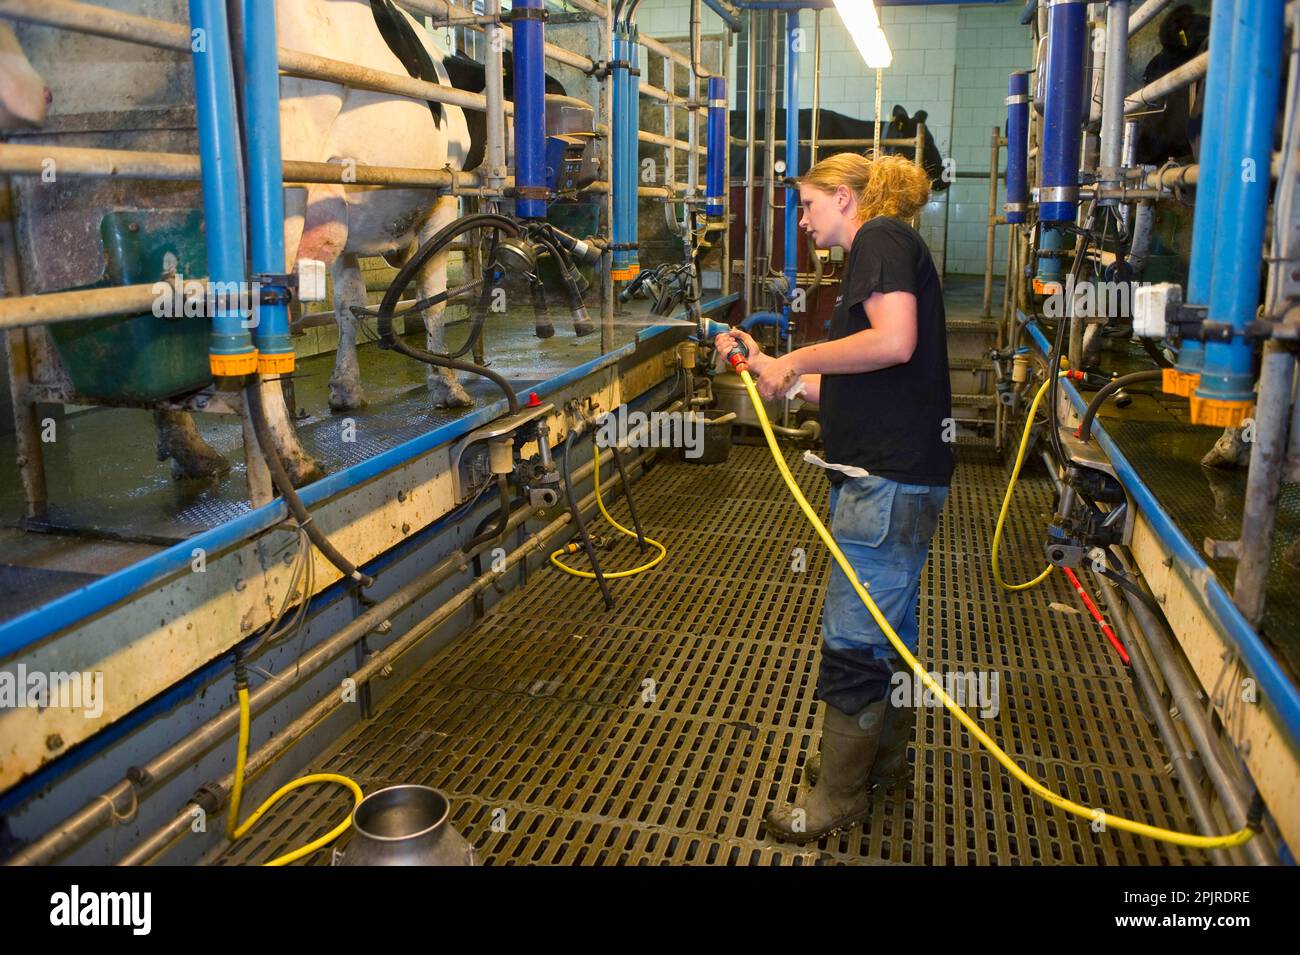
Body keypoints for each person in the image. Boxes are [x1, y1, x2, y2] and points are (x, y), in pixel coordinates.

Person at [715, 152, 953, 843]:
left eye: (809, 204)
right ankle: (880, 761)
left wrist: (797, 358)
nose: (803, 220)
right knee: (889, 632)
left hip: (887, 481)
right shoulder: (884, 251)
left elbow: (895, 342)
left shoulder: (880, 236)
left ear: (845, 198)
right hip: (897, 473)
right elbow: (866, 379)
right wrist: (776, 371)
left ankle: (839, 797)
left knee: (853, 639)